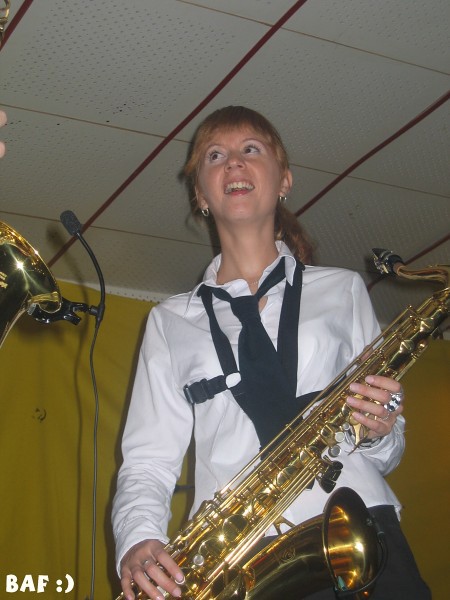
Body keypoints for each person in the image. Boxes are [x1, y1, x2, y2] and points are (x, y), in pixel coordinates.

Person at [112, 106, 430, 600]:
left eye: (250, 149)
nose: (233, 163)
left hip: (361, 524)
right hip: (239, 555)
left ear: (284, 180)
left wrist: (379, 429)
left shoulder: (343, 290)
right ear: (200, 195)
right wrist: (137, 538)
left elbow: (388, 450)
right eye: (215, 155)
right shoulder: (169, 321)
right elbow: (148, 460)